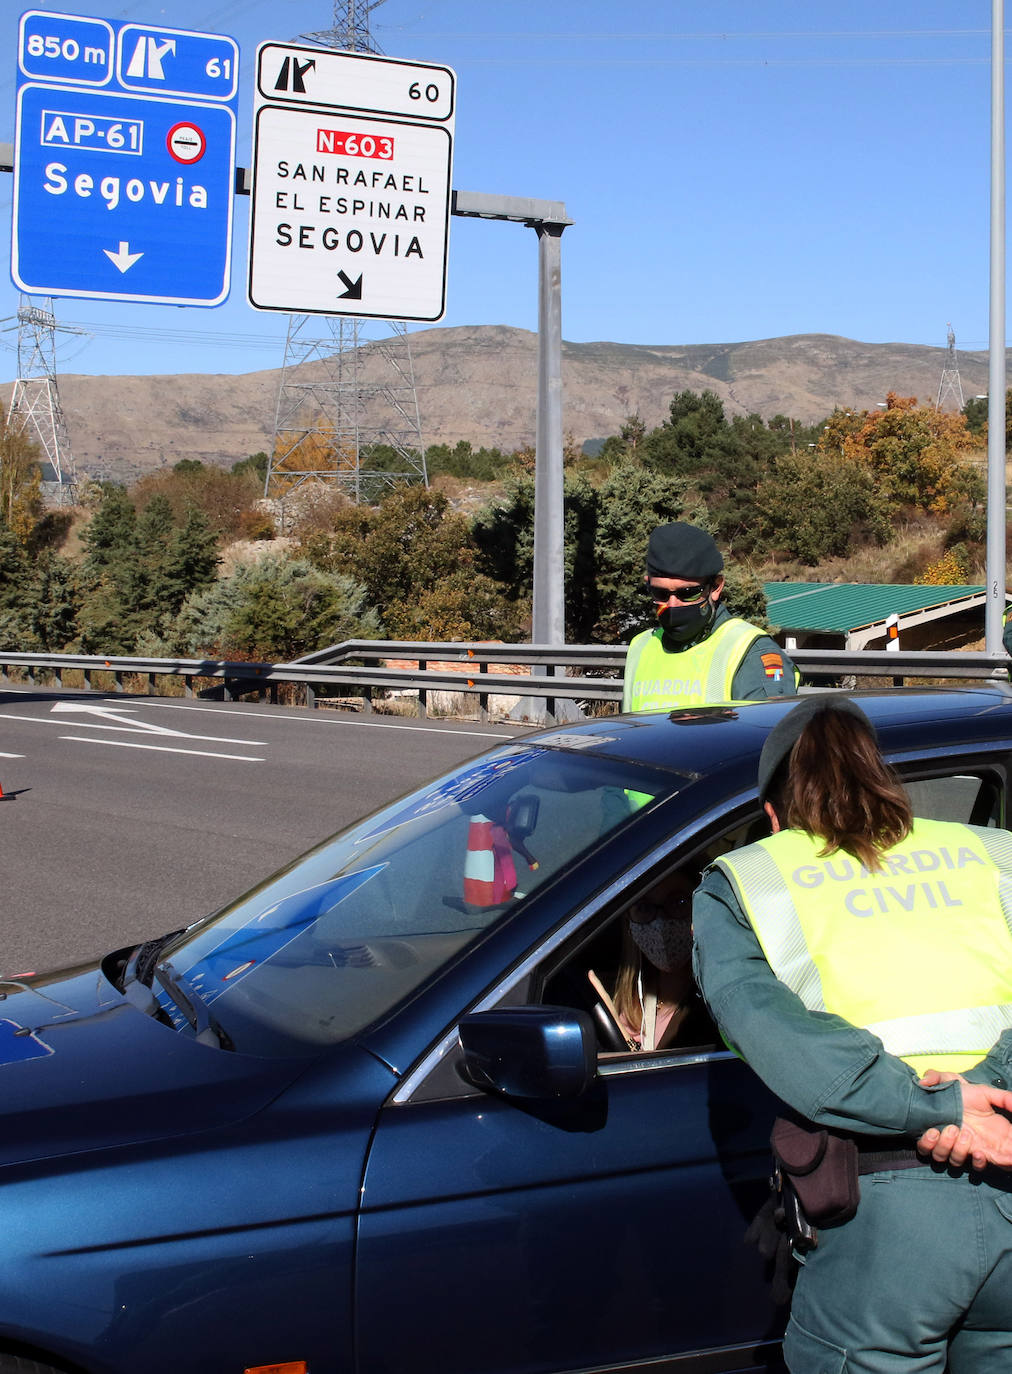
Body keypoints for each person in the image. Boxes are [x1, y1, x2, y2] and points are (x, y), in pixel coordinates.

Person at [692, 694, 1012, 1373]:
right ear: (886, 780)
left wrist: (941, 1109)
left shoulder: (750, 880)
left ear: (773, 813)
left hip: (890, 1218)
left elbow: (775, 1035)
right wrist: (988, 1094)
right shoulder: (992, 851)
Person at [622, 521, 798, 713]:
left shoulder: (748, 651)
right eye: (660, 594)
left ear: (715, 587)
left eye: (688, 593)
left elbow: (767, 736)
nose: (672, 605)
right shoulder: (640, 647)